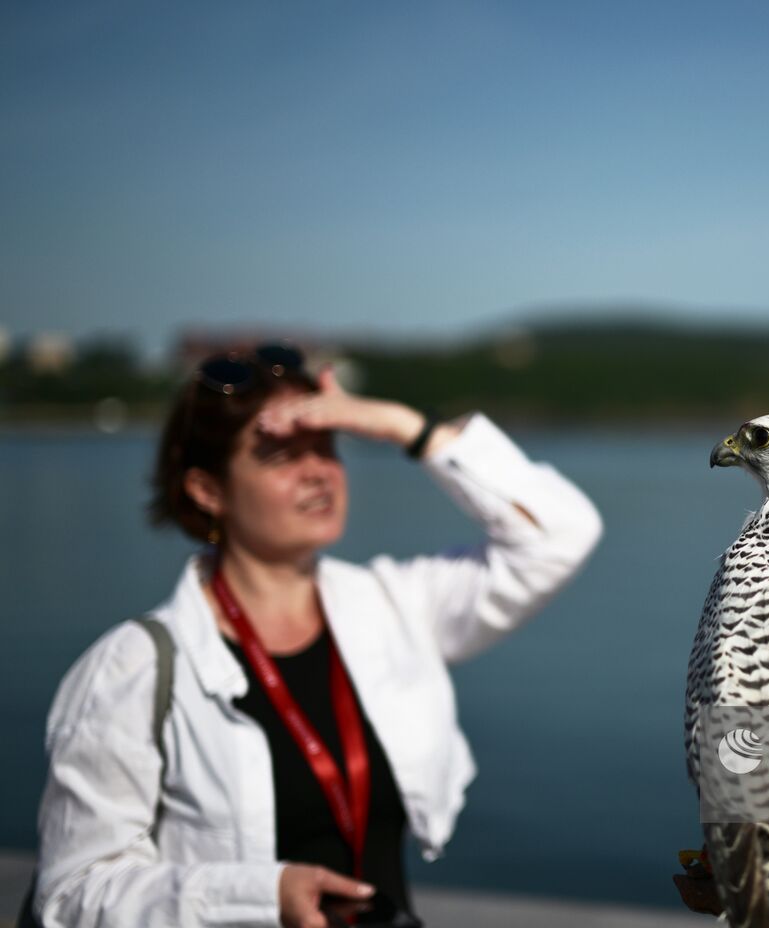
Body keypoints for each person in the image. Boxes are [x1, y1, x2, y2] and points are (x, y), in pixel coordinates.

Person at [31, 344, 603, 927]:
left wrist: (404, 427)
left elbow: (560, 537)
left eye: (327, 447)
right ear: (208, 490)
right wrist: (260, 896)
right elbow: (71, 895)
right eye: (282, 456)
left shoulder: (391, 609)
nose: (319, 471)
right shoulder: (135, 669)